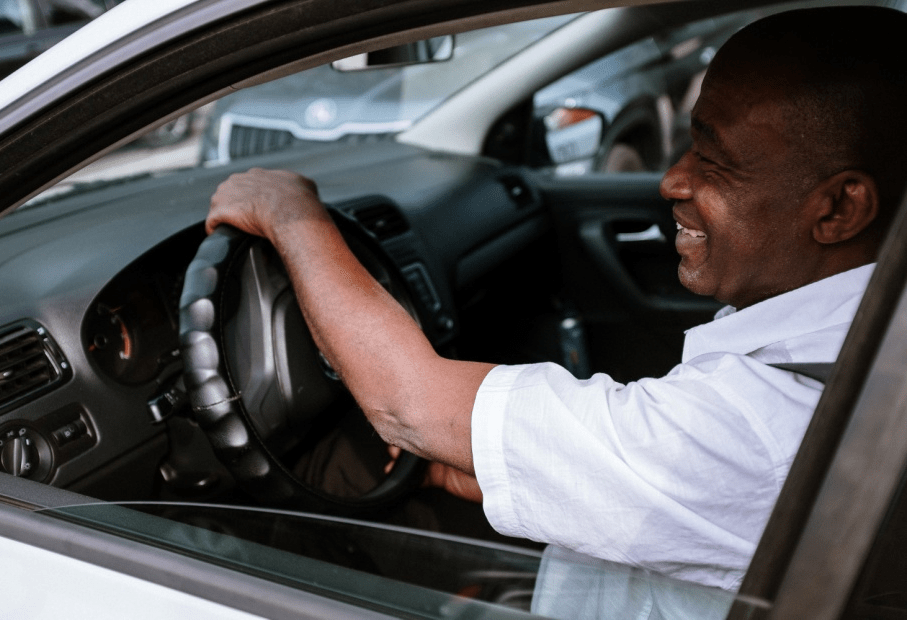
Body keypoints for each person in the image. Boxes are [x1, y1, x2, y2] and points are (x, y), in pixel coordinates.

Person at [205, 5, 907, 596]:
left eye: (714, 160)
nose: (670, 181)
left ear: (840, 209)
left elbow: (405, 404)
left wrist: (290, 215)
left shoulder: (764, 427)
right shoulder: (856, 359)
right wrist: (533, 472)